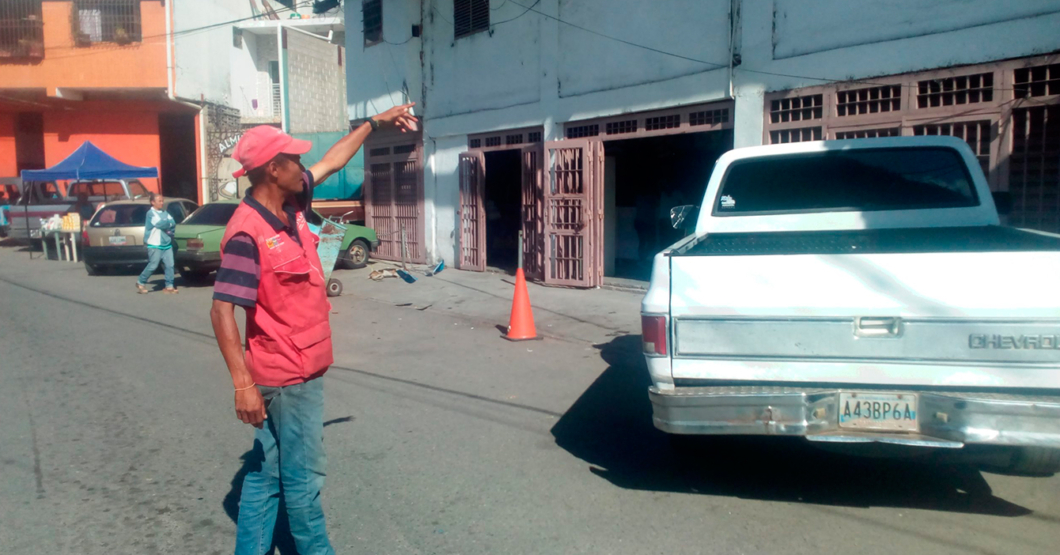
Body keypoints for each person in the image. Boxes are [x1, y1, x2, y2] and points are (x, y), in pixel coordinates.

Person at [210, 104, 416, 555]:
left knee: (267, 474)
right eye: (295, 159)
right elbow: (223, 309)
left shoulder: (290, 201)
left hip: (296, 368)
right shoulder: (247, 234)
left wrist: (372, 124)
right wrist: (241, 385)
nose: (304, 166)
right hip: (286, 376)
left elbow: (333, 160)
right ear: (273, 168)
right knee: (303, 481)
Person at [136, 193, 177, 294]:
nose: (162, 203)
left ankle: (169, 286)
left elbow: (173, 223)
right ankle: (141, 281)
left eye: (162, 201)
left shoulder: (165, 212)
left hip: (166, 243)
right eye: (159, 201)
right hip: (155, 243)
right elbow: (160, 224)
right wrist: (167, 223)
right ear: (152, 202)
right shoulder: (150, 213)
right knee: (153, 265)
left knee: (170, 265)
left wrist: (167, 223)